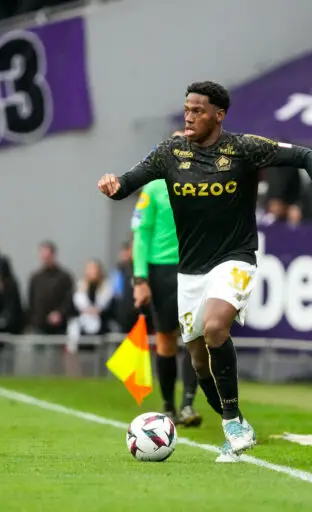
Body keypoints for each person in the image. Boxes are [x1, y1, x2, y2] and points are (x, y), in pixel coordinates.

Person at [97, 81, 312, 461]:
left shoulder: (242, 148)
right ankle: (238, 421)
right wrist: (112, 184)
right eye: (187, 109)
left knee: (216, 328)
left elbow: (308, 156)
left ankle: (231, 424)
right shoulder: (170, 152)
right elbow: (125, 184)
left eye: (198, 111)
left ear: (219, 115)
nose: (189, 117)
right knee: (199, 360)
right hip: (190, 270)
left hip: (234, 257)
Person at [131, 135, 201, 427]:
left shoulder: (205, 184)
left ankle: (188, 404)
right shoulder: (154, 188)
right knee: (166, 339)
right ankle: (169, 405)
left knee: (195, 338)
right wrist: (140, 279)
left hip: (196, 266)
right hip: (162, 271)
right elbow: (141, 234)